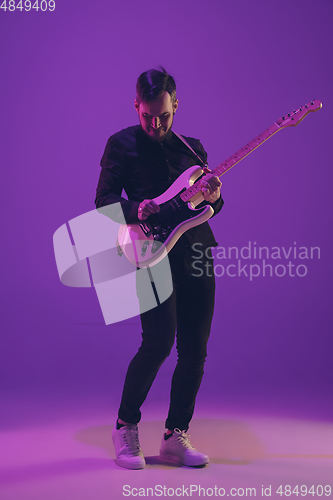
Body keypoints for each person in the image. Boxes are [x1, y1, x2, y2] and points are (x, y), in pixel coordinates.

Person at [95, 67, 223, 469]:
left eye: (163, 116)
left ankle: (174, 435)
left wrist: (215, 196)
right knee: (158, 342)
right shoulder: (122, 145)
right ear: (136, 106)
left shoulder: (193, 148)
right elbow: (103, 202)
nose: (155, 124)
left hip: (196, 253)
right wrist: (136, 208)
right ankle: (124, 424)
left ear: (175, 107)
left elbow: (210, 209)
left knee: (195, 350)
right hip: (149, 251)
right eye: (147, 115)